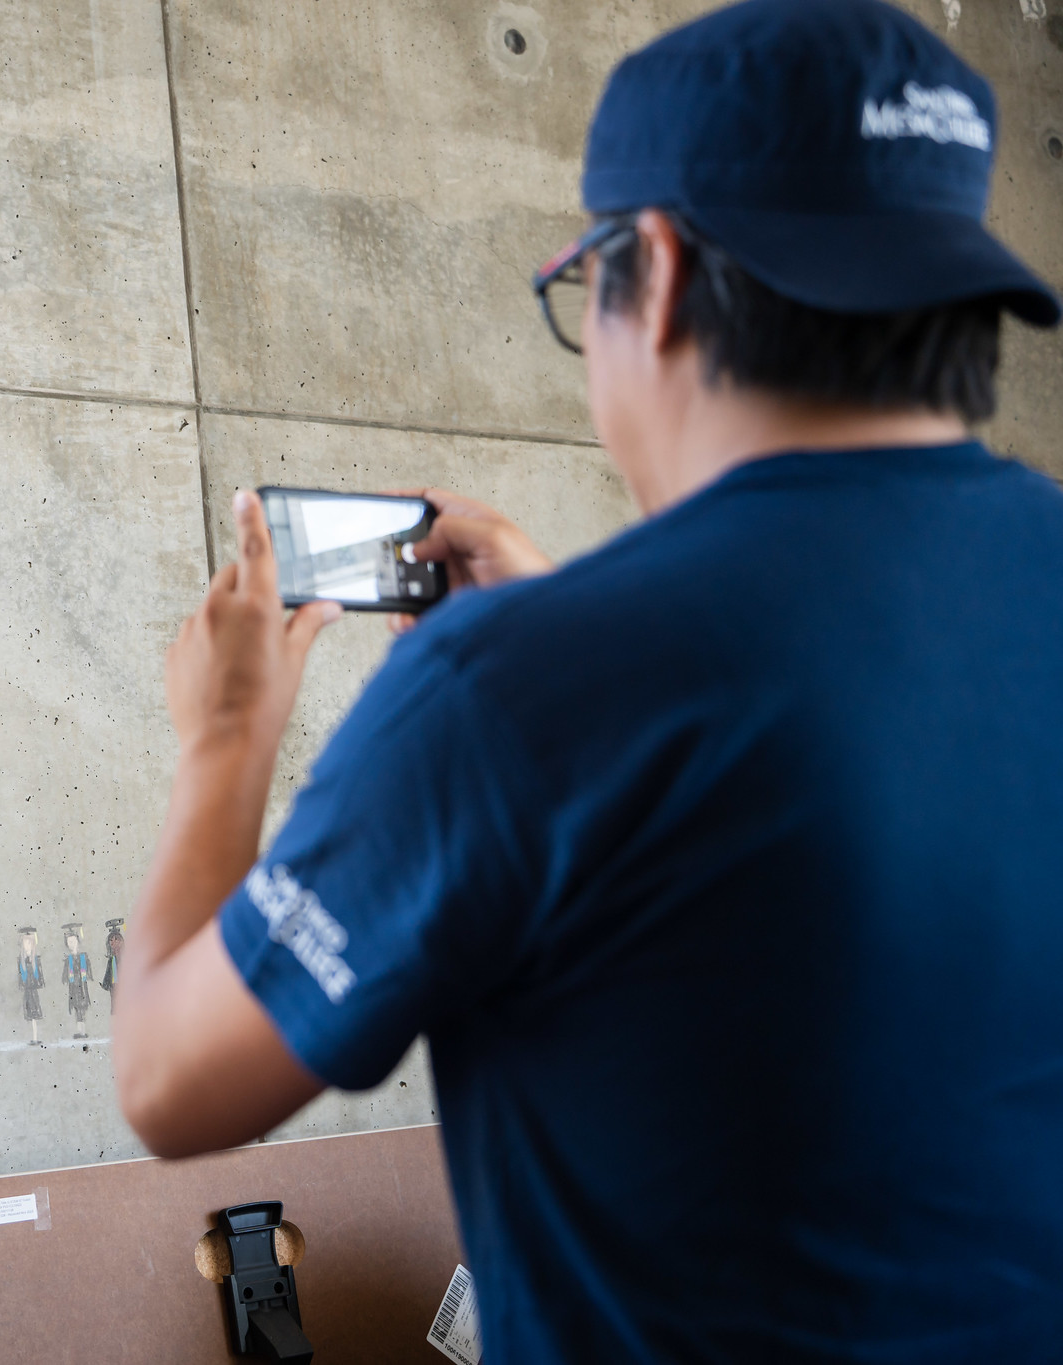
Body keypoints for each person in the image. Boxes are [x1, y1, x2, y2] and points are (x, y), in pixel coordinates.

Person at [114, 1, 1063, 1359]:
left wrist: (225, 739)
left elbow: (171, 1081)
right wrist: (571, 636)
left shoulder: (507, 691)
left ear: (657, 270)